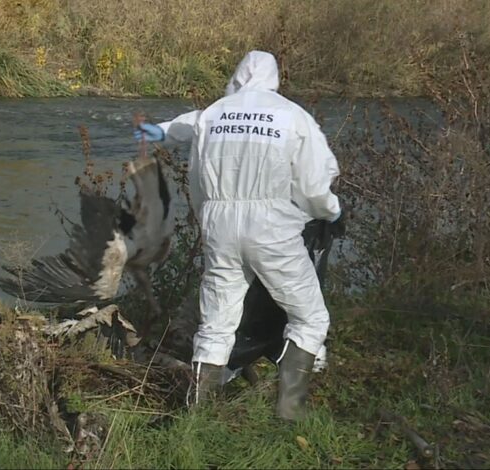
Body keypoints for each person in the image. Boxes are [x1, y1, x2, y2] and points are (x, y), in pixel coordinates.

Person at [134, 50, 342, 420]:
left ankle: (197, 413)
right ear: (274, 79)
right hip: (272, 226)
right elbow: (315, 184)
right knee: (310, 317)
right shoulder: (292, 116)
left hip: (220, 226)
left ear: (237, 76)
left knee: (216, 321)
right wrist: (331, 211)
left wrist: (161, 130)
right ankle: (290, 409)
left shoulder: (216, 112)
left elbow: (189, 125)